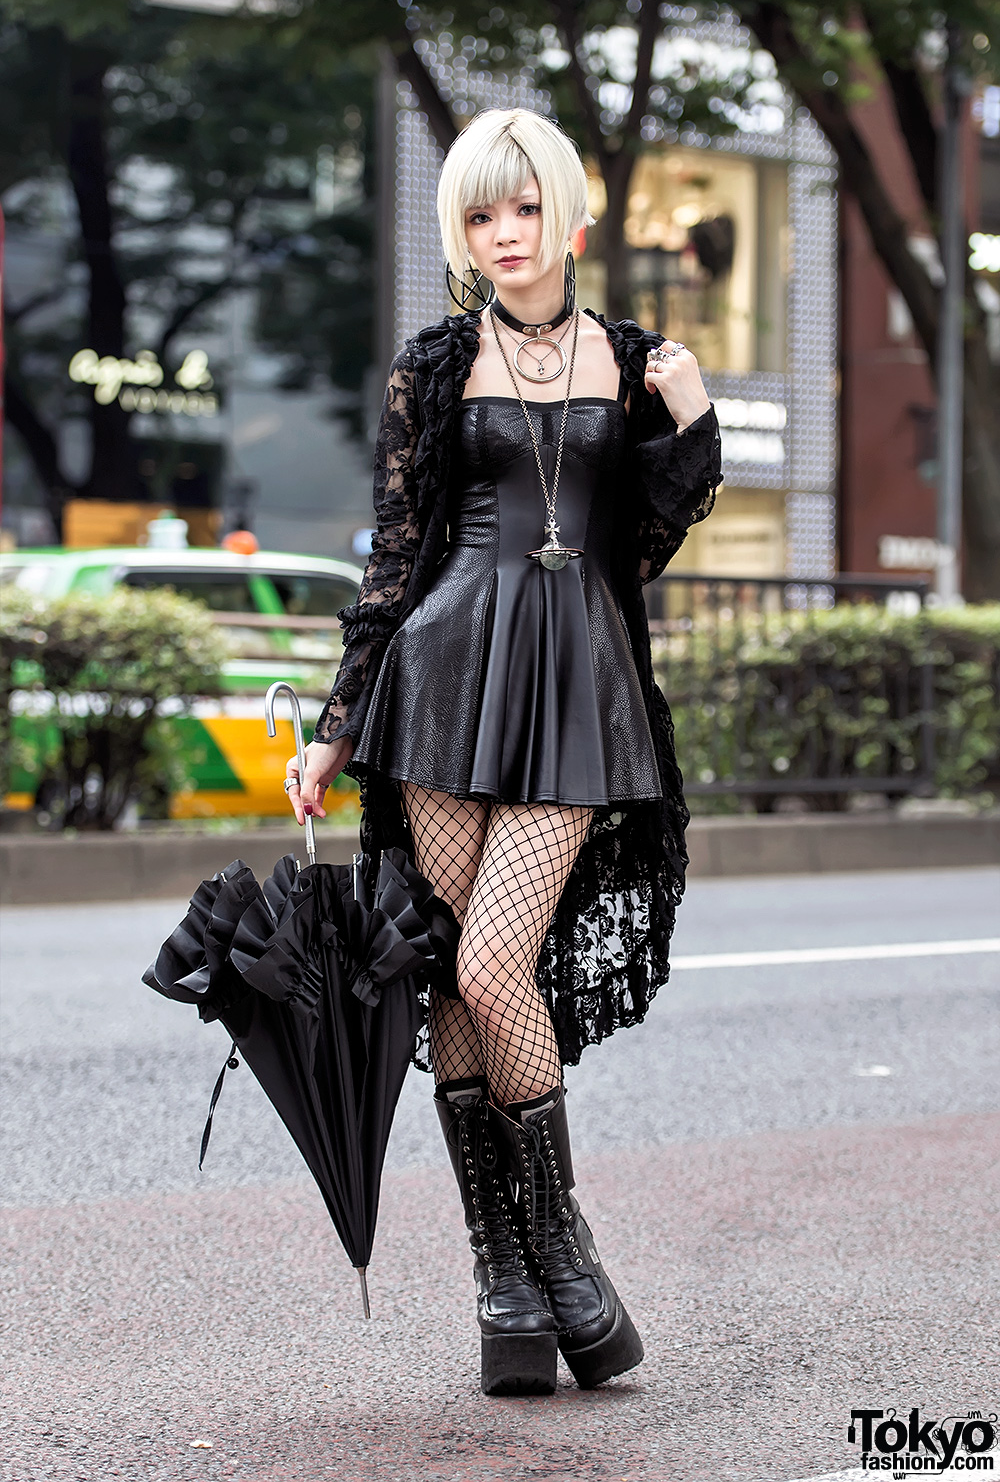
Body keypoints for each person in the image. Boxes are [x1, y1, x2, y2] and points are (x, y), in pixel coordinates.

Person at [283, 107, 723, 1397]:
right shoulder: (435, 365)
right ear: (462, 234)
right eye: (481, 215)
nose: (506, 233)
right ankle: (509, 1285)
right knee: (455, 983)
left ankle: (565, 1249)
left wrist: (692, 420)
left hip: (578, 677)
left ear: (568, 218)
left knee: (491, 957)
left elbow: (649, 531)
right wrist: (333, 725)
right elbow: (391, 557)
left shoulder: (633, 359)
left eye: (524, 209)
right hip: (442, 677)